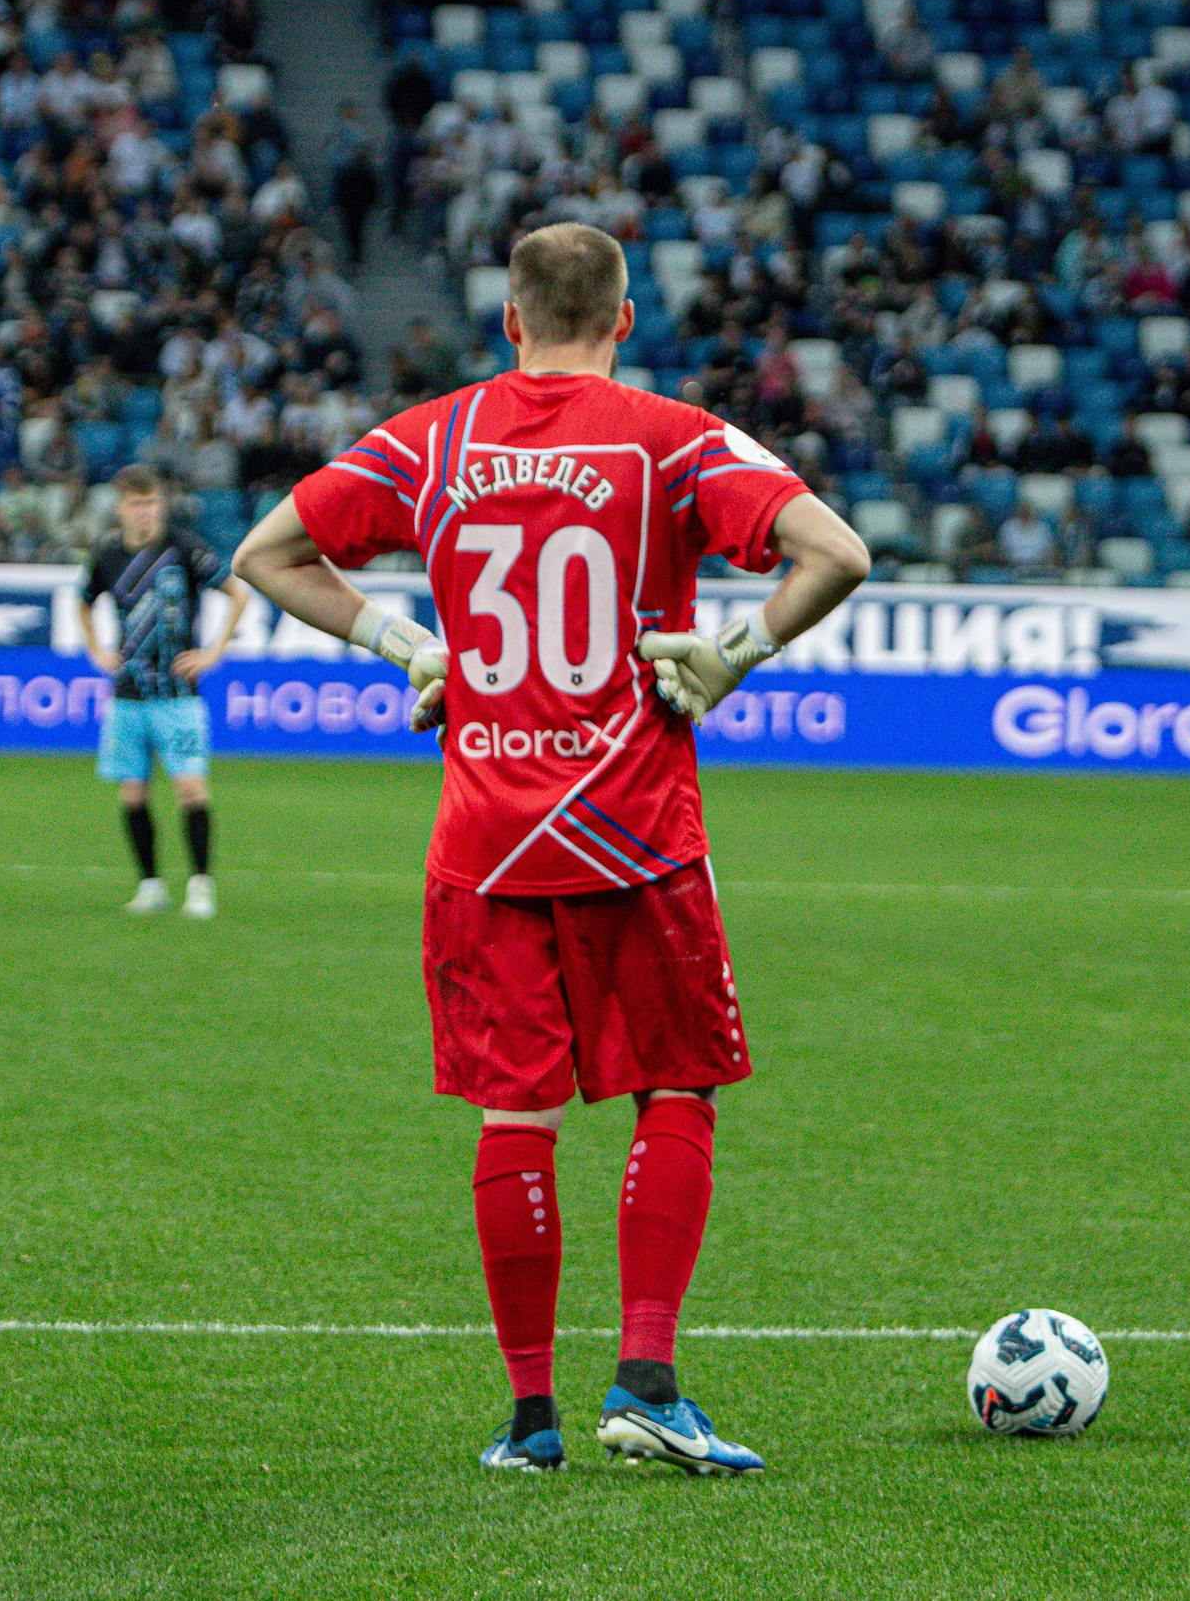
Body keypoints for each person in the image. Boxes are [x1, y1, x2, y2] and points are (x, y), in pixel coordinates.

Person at [231, 222, 870, 1475]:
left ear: (509, 320)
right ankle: (647, 1381)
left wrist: (407, 647)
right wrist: (733, 660)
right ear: (624, 321)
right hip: (634, 828)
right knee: (673, 1090)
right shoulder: (675, 437)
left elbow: (266, 556)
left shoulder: (432, 438)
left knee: (512, 1116)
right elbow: (835, 553)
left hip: (484, 840)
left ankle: (531, 1422)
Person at [80, 466, 252, 919]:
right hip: (128, 694)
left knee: (190, 788)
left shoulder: (184, 549)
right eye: (137, 503)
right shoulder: (107, 554)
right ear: (121, 507)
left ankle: (200, 885)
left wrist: (214, 651)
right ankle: (150, 885)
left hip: (178, 694)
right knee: (132, 794)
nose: (146, 512)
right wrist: (96, 649)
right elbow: (83, 599)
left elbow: (238, 593)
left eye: (152, 502)